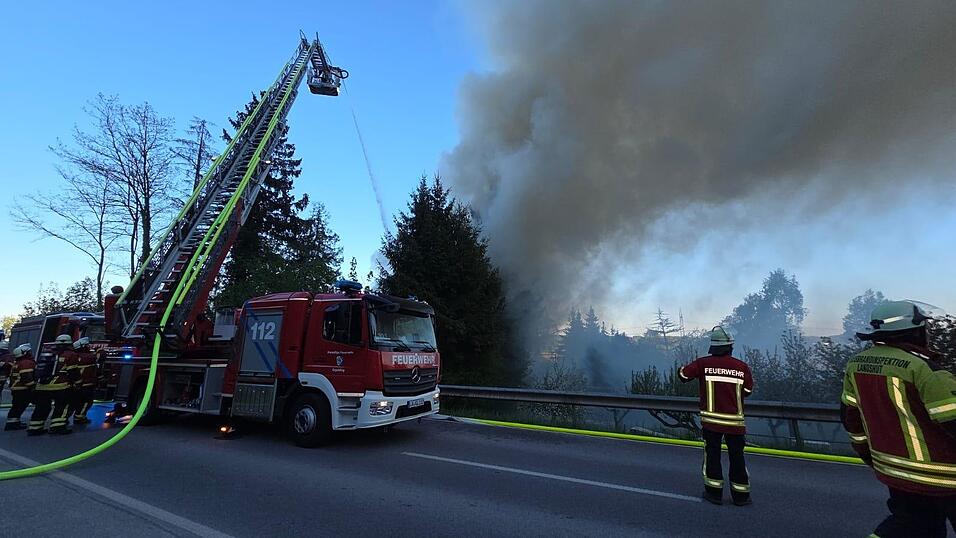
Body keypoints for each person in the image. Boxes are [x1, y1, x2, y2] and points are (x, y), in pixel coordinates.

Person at [841, 300, 956, 537]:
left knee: (915, 525)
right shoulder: (925, 370)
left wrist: (868, 455)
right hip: (943, 476)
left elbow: (850, 418)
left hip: (894, 471)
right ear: (913, 330)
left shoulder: (856, 364)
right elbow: (953, 423)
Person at [679, 326, 755, 505]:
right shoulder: (742, 367)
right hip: (735, 424)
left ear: (712, 347)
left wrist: (683, 365)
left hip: (711, 423)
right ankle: (741, 496)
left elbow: (683, 375)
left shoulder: (703, 364)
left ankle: (714, 493)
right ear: (729, 347)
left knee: (712, 456)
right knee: (737, 458)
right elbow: (748, 390)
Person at [28, 334, 79, 436]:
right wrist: (77, 383)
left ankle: (35, 428)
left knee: (41, 407)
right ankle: (57, 427)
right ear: (70, 343)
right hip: (60, 386)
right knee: (61, 407)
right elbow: (73, 371)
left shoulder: (48, 353)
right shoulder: (71, 354)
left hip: (42, 386)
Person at [4, 344, 36, 431]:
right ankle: (12, 424)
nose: (30, 353)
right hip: (22, 389)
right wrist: (33, 386)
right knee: (19, 406)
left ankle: (14, 422)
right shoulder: (26, 363)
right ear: (25, 353)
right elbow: (26, 377)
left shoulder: (17, 363)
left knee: (17, 406)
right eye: (29, 352)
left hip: (17, 389)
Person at [70, 337, 97, 425]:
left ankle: (64, 419)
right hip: (87, 384)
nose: (89, 347)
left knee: (74, 402)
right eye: (87, 345)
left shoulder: (73, 356)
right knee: (86, 401)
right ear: (84, 346)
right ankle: (80, 417)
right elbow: (98, 360)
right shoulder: (89, 357)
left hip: (75, 384)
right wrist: (100, 350)